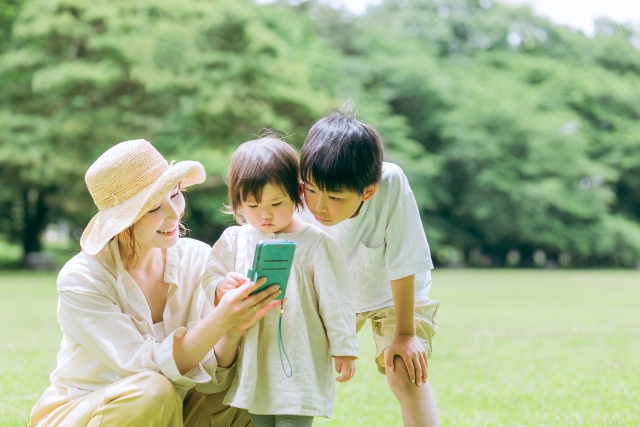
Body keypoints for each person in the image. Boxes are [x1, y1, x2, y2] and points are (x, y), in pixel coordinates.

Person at [28, 139, 283, 427]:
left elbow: (211, 375)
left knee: (244, 386)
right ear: (122, 221)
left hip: (173, 407)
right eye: (153, 209)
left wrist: (235, 326)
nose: (174, 213)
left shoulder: (197, 258)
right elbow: (146, 368)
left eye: (175, 195)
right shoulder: (82, 279)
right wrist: (219, 322)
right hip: (88, 410)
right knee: (154, 391)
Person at [202, 137, 359, 427]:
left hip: (299, 354)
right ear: (237, 202)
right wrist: (221, 285)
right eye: (252, 205)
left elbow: (336, 300)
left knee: (292, 418)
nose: (265, 214)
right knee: (260, 418)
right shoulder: (236, 240)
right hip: (255, 358)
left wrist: (344, 348)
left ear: (297, 194)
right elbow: (210, 275)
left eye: (276, 203)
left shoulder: (315, 243)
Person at [298, 110, 440, 427]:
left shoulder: (390, 183)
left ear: (368, 191)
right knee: (293, 370)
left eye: (334, 197)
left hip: (390, 291)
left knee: (406, 368)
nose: (318, 205)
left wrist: (404, 335)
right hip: (329, 291)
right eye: (310, 190)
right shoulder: (298, 188)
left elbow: (405, 260)